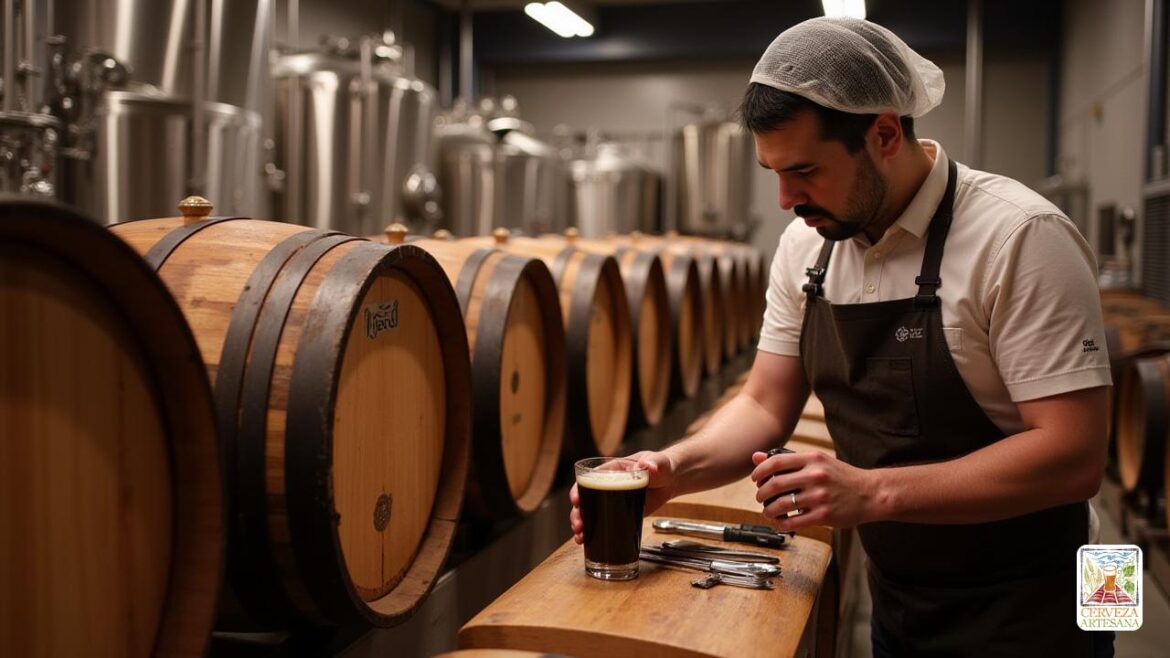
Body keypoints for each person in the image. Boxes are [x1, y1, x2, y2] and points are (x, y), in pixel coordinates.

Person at [569, 16, 1114, 658]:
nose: (783, 199)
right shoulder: (808, 246)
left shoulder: (1020, 237)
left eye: (804, 171)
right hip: (905, 599)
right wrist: (671, 467)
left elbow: (1076, 455)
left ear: (884, 132)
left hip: (1043, 606)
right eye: (772, 171)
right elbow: (764, 403)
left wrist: (872, 491)